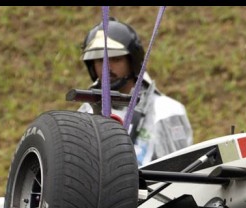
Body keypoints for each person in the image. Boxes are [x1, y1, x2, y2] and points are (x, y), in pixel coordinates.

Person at [77, 18, 193, 166]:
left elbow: (180, 173)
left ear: (132, 62)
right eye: (100, 61)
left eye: (116, 59)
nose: (107, 67)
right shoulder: (85, 112)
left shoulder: (166, 112)